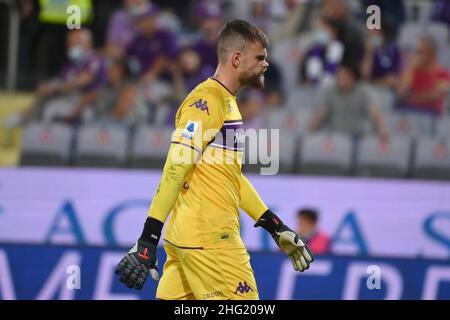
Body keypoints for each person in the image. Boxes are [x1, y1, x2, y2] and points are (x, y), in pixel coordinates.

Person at [114, 19, 314, 300]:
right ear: (236, 58)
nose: (266, 64)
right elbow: (175, 169)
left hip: (187, 242)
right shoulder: (207, 101)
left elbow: (229, 176)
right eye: (260, 57)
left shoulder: (226, 101)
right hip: (211, 242)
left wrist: (274, 225)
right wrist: (148, 239)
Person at [308, 62, 389, 141]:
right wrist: (310, 133)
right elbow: (320, 113)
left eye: (345, 74)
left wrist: (382, 129)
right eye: (339, 74)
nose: (340, 76)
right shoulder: (330, 91)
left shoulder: (365, 91)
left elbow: (375, 112)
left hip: (360, 136)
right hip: (337, 136)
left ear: (354, 77)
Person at [397, 36, 450, 116]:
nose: (417, 55)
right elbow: (401, 93)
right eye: (417, 51)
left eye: (420, 52)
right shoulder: (411, 71)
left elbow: (434, 96)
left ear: (431, 53)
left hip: (430, 114)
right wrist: (410, 69)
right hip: (407, 112)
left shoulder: (442, 73)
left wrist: (409, 97)